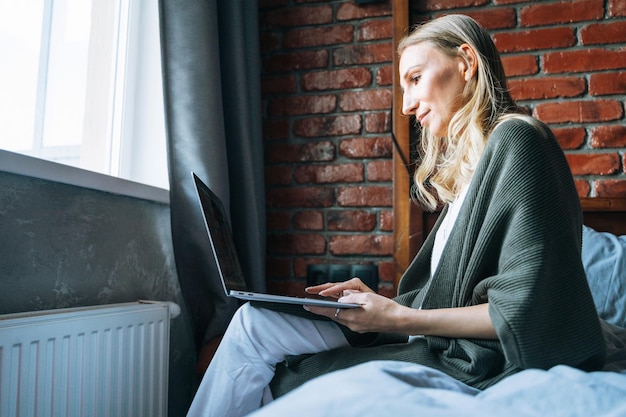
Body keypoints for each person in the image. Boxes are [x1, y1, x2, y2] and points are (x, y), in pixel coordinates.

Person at [186, 14, 606, 417]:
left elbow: (526, 312)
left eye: (415, 79)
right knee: (254, 321)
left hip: (476, 360)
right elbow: (444, 296)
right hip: (423, 331)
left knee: (278, 368)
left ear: (465, 63)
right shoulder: (470, 177)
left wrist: (397, 316)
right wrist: (381, 305)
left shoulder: (520, 140)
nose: (406, 106)